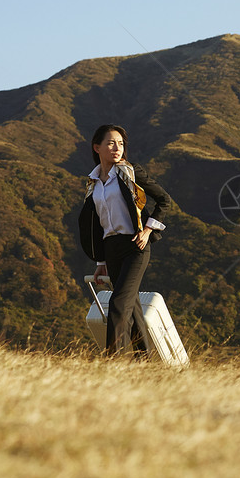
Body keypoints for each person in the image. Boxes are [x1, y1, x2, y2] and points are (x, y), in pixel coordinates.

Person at [78, 124, 171, 356]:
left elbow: (164, 200)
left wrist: (148, 231)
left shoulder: (130, 172)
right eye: (111, 143)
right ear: (97, 147)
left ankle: (111, 362)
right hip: (111, 249)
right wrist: (100, 262)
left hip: (136, 246)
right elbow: (96, 225)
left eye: (120, 143)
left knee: (119, 304)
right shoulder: (92, 183)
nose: (117, 148)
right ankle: (144, 362)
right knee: (132, 309)